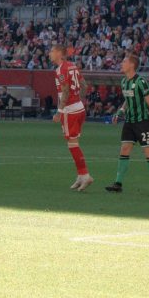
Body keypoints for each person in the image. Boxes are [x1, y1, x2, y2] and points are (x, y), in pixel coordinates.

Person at [105, 54, 149, 194]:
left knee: (148, 152)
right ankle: (118, 183)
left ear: (131, 65)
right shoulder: (124, 81)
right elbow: (127, 99)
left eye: (124, 61)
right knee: (124, 149)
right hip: (129, 122)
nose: (121, 63)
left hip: (142, 122)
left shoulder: (141, 82)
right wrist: (121, 111)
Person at [50, 45, 93, 191]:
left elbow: (66, 91)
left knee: (72, 145)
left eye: (52, 51)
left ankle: (85, 175)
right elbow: (84, 85)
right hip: (79, 109)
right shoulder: (73, 66)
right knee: (73, 143)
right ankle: (81, 176)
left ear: (59, 54)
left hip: (70, 111)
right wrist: (79, 101)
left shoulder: (60, 70)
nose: (50, 53)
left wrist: (59, 111)